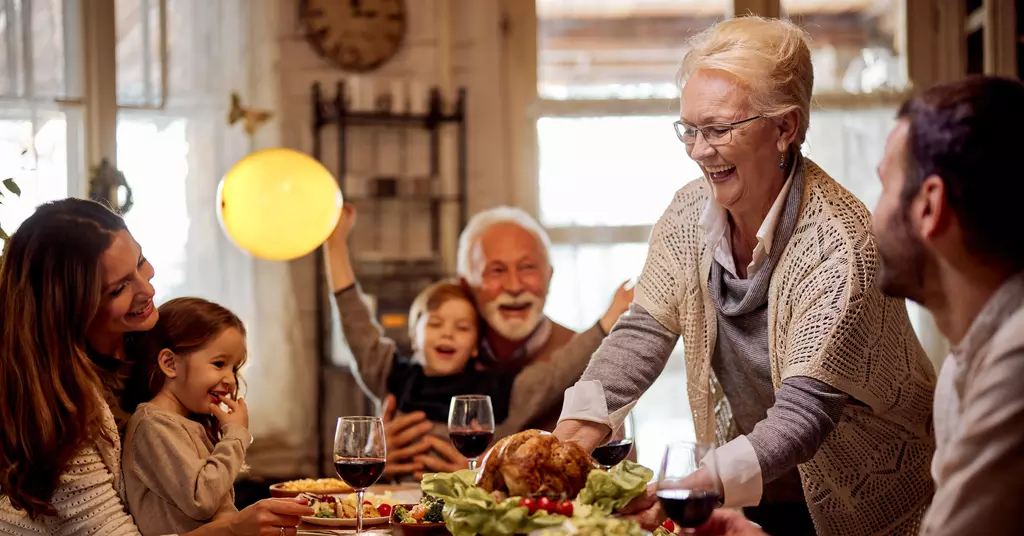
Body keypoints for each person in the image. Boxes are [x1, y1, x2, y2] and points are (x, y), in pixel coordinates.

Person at [553, 16, 936, 535]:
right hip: (756, 490)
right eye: (688, 129)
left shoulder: (842, 244)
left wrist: (693, 484)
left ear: (786, 128)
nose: (697, 150)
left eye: (719, 129)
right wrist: (571, 437)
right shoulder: (690, 212)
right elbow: (644, 330)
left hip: (870, 501)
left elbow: (805, 412)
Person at [0, 198, 311, 535]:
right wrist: (235, 527)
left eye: (141, 261)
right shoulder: (60, 406)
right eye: (119, 288)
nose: (147, 289)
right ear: (70, 308)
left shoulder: (152, 346)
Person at [324, 204, 632, 480]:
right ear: (465, 284)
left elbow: (618, 474)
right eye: (496, 270)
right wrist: (375, 456)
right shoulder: (426, 362)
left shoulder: (591, 360)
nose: (513, 285)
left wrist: (486, 476)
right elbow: (360, 334)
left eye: (527, 268)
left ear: (549, 276)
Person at [121, 298, 253, 535]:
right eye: (219, 363)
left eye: (234, 368)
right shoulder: (154, 425)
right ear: (170, 363)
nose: (231, 380)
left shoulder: (185, 423)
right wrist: (235, 437)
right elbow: (201, 500)